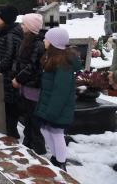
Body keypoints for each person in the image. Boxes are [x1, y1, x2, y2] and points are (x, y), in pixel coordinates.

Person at [35, 27, 81, 172]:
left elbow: (61, 91)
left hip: (57, 107)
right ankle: (55, 157)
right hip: (49, 104)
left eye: (46, 38)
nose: (44, 40)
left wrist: (52, 112)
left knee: (56, 133)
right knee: (45, 129)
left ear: (54, 43)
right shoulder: (52, 57)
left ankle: (61, 162)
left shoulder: (63, 64)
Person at [12, 13, 46, 154]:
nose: (21, 26)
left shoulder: (37, 44)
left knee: (33, 118)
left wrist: (18, 79)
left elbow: (32, 67)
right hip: (25, 85)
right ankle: (28, 141)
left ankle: (38, 147)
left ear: (31, 27)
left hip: (33, 85)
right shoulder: (26, 40)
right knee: (28, 116)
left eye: (24, 24)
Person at [0, 5, 23, 139]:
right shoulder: (4, 32)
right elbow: (1, 54)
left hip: (9, 76)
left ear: (5, 19)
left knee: (10, 106)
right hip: (5, 74)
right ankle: (8, 130)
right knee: (7, 105)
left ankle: (11, 134)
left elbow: (8, 59)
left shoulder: (11, 35)